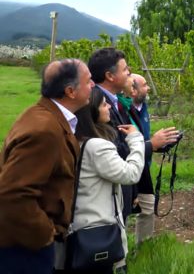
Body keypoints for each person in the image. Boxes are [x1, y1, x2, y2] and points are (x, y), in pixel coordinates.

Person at [0, 59, 94, 274]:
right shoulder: (45, 130)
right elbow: (13, 193)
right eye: (88, 81)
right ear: (70, 91)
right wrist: (44, 235)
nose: (93, 85)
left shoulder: (45, 116)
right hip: (23, 249)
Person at [59, 86, 145, 274]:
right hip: (96, 230)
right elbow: (130, 174)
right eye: (104, 104)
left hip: (78, 226)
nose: (109, 107)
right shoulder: (96, 146)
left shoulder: (75, 139)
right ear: (92, 111)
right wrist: (136, 139)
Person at [87, 48, 178, 222]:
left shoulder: (114, 101)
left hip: (121, 185)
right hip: (110, 193)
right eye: (125, 69)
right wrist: (151, 144)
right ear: (110, 76)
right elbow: (116, 151)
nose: (129, 72)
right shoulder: (98, 106)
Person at [129, 74, 156, 244]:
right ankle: (118, 253)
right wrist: (152, 144)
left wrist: (158, 145)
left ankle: (144, 248)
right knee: (124, 208)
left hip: (143, 165)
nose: (148, 88)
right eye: (145, 85)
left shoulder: (143, 108)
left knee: (147, 206)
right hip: (127, 165)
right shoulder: (122, 110)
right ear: (133, 90)